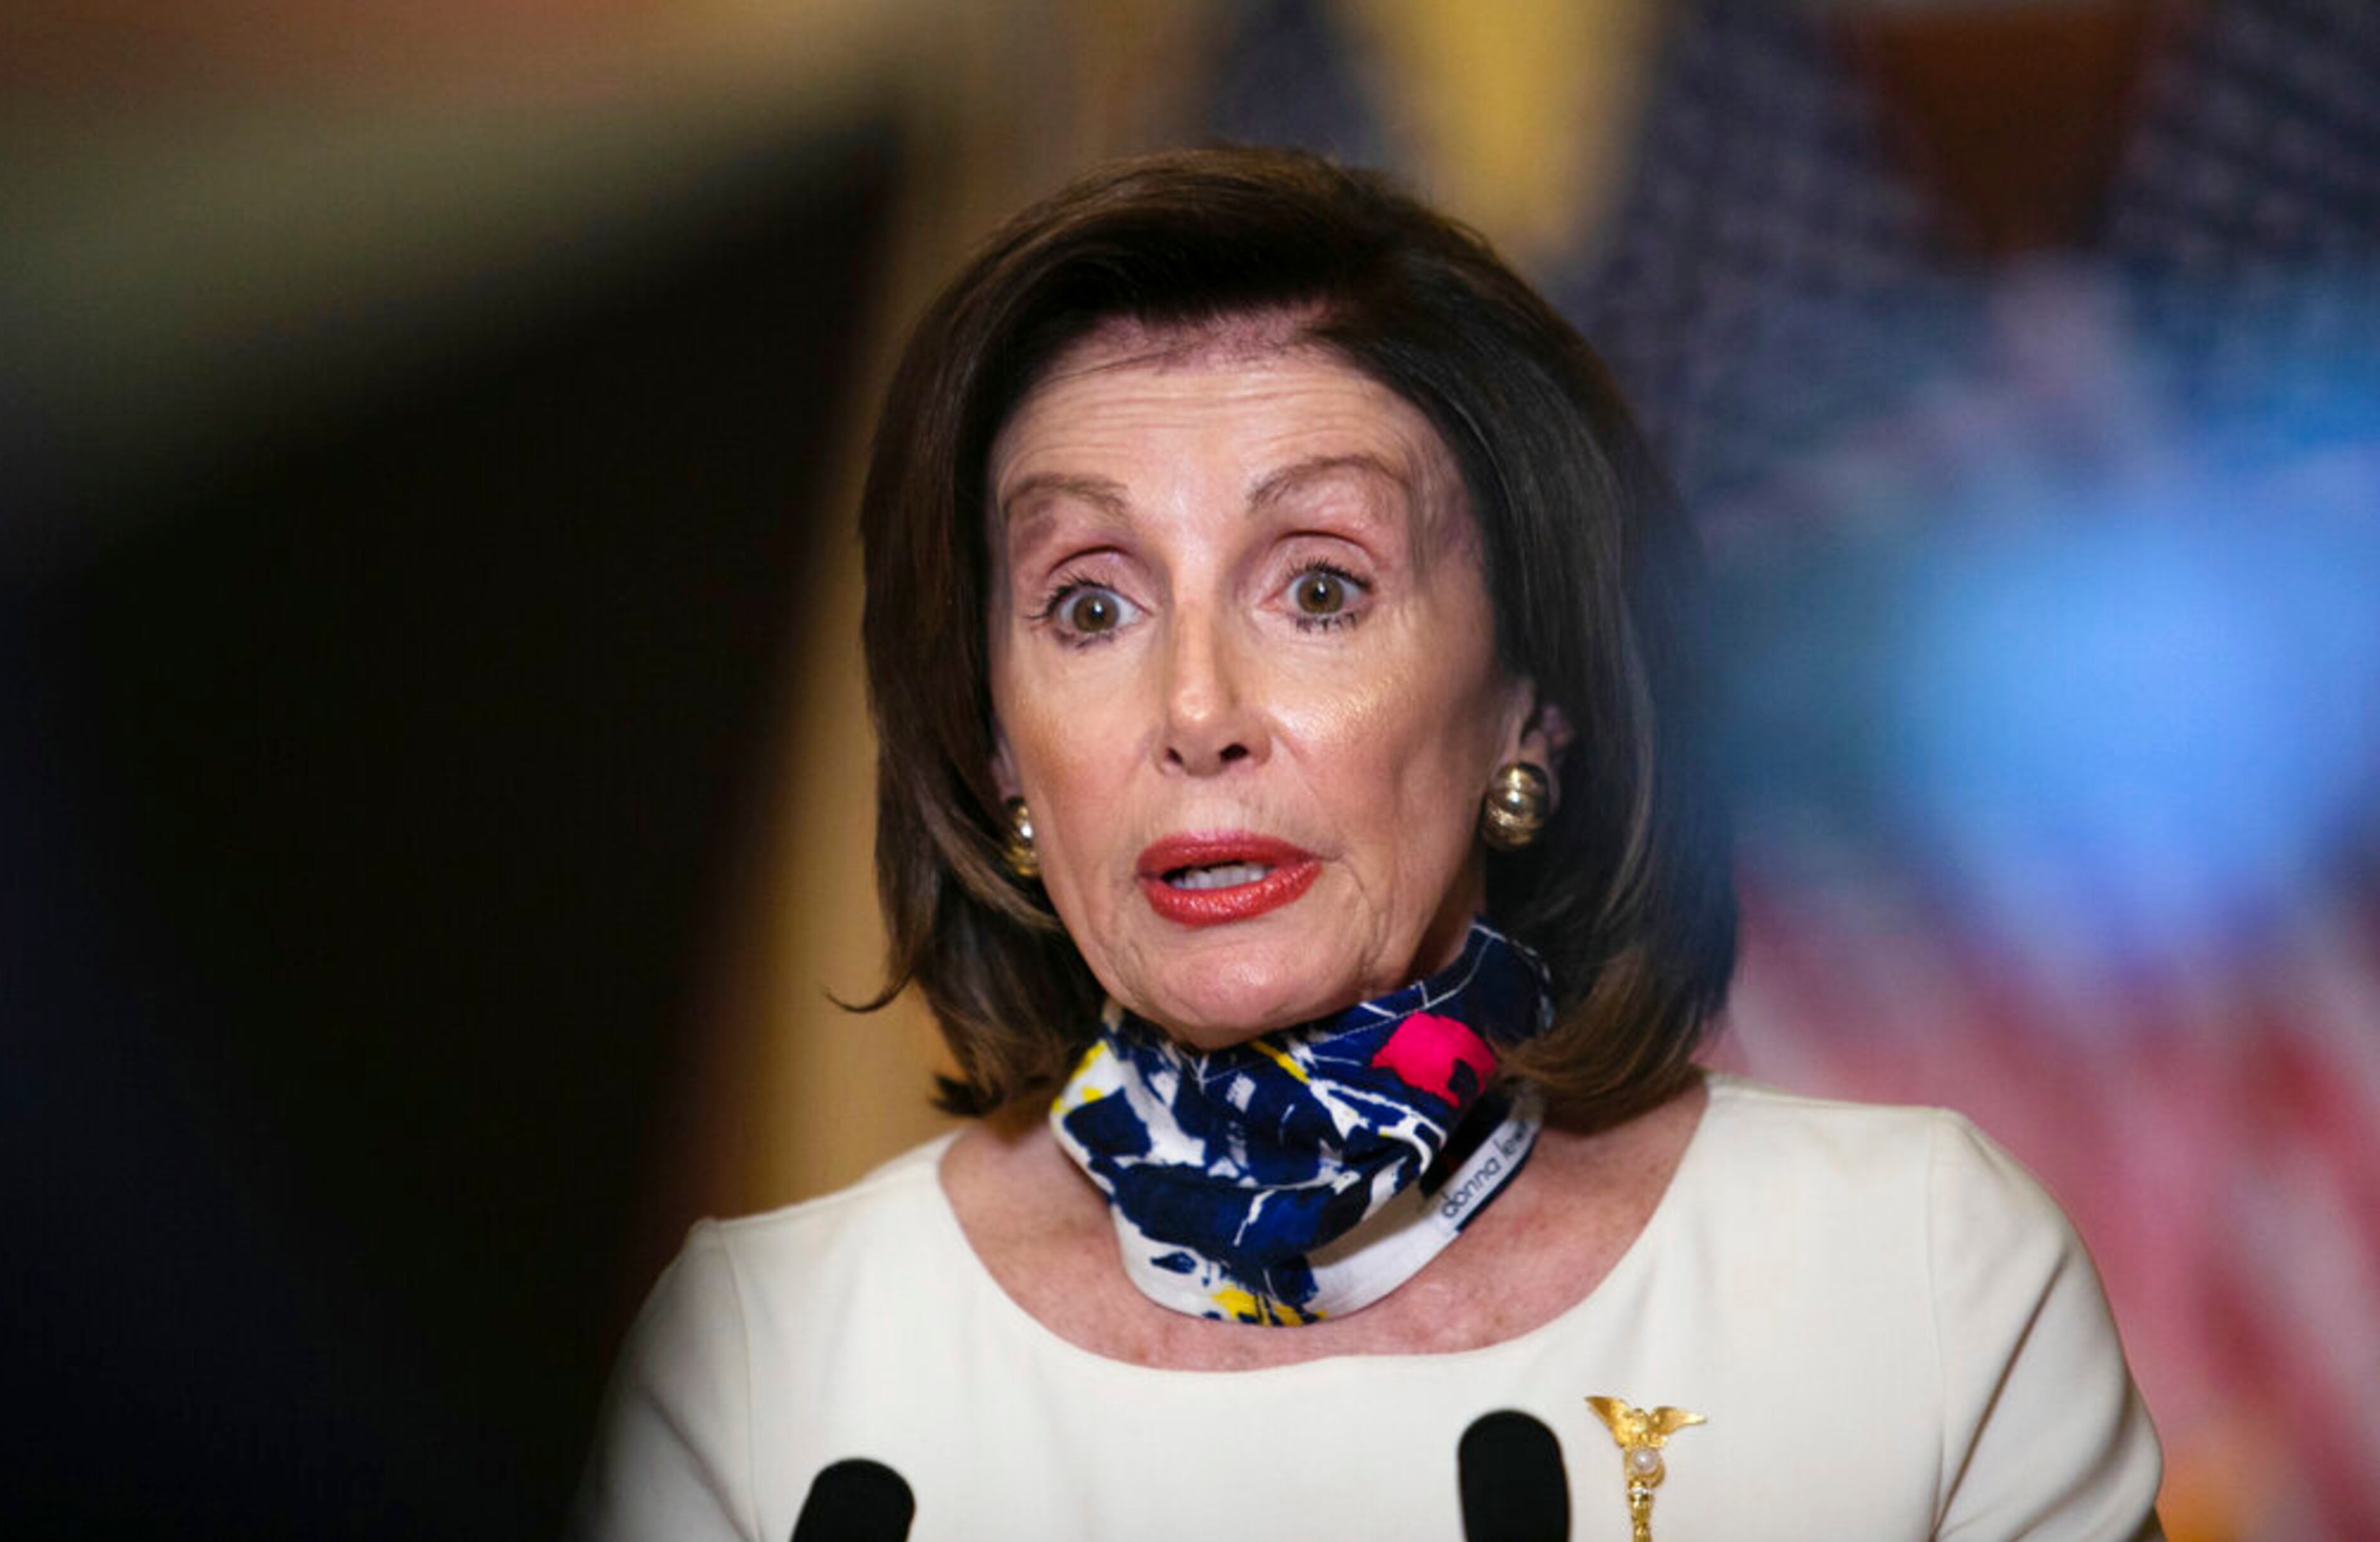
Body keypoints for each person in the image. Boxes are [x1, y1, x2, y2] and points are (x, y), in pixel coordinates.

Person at [570, 148, 2161, 1540]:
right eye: (1091, 604)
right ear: (997, 747)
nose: (1196, 710)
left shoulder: (1918, 1290)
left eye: (1319, 586)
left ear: (1535, 700)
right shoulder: (771, 1361)